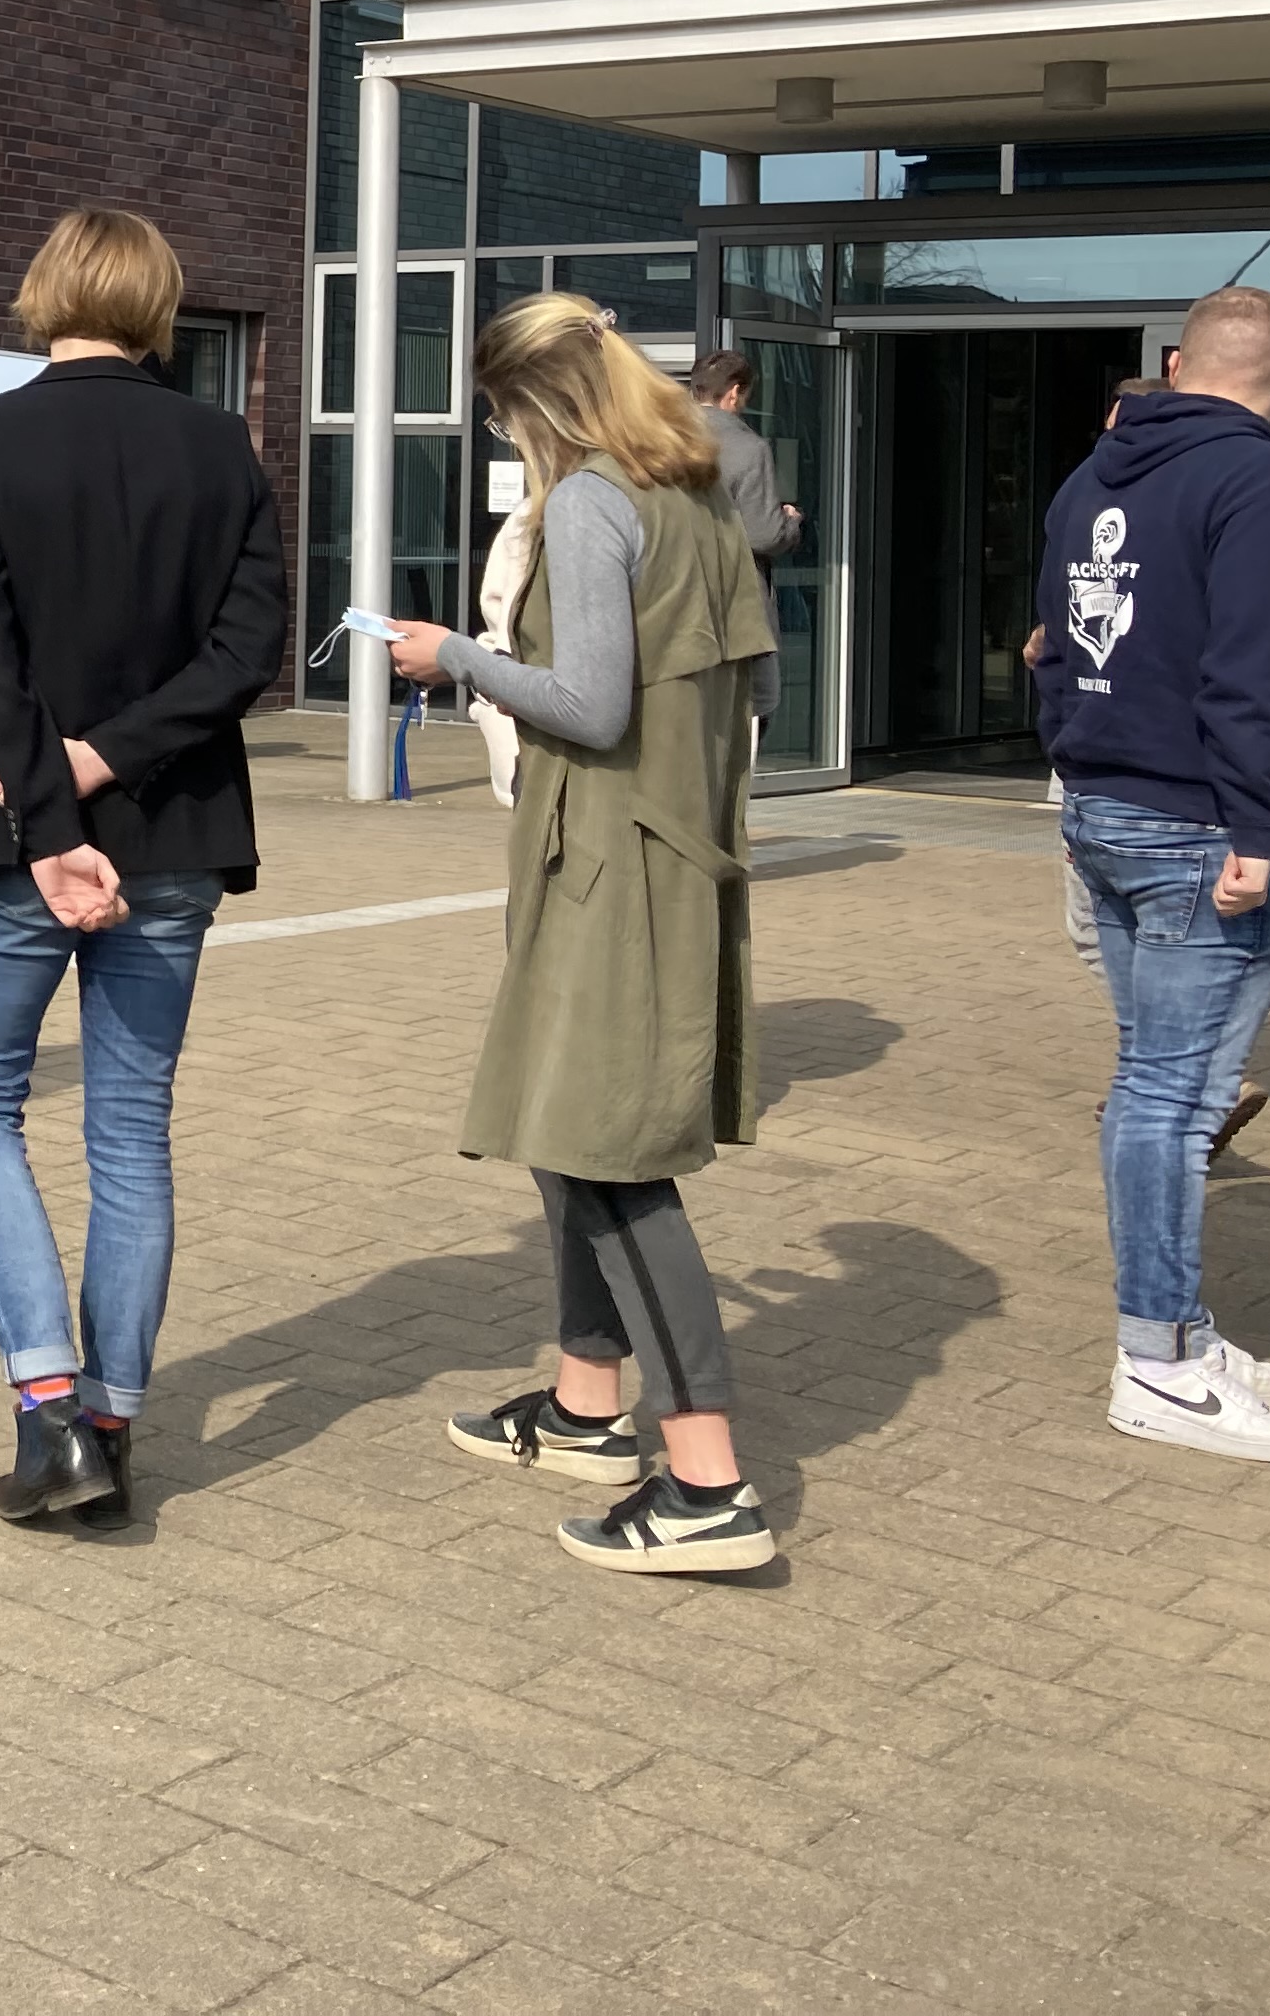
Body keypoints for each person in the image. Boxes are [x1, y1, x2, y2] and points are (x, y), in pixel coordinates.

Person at [385, 293, 782, 1576]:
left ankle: (711, 1482)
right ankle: (584, 1405)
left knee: (613, 1162)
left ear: (535, 406)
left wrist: (455, 653)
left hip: (615, 863)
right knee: (571, 1141)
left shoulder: (599, 503)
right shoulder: (699, 497)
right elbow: (754, 687)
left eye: (504, 416)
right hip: (659, 854)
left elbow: (591, 704)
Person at [0, 210, 283, 1523]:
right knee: (130, 1133)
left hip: (17, 836)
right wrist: (110, 762)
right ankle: (115, 1426)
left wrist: (55, 797)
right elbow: (246, 655)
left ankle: (47, 1413)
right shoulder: (221, 451)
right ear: (158, 304)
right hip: (176, 828)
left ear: (45, 294)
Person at [1030, 286, 1270, 1466]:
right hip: (1205, 829)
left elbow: (1054, 644)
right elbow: (1259, 669)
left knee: (1150, 1084)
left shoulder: (1091, 474)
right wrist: (1258, 830)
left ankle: (1184, 1335)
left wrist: (1075, 770)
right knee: (1175, 1099)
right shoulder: (1260, 484)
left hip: (1105, 812)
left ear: (1173, 363)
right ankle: (1156, 1362)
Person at [687, 350, 801, 564]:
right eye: (746, 396)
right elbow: (764, 536)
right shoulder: (750, 448)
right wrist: (790, 522)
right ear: (734, 392)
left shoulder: (663, 440)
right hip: (731, 585)